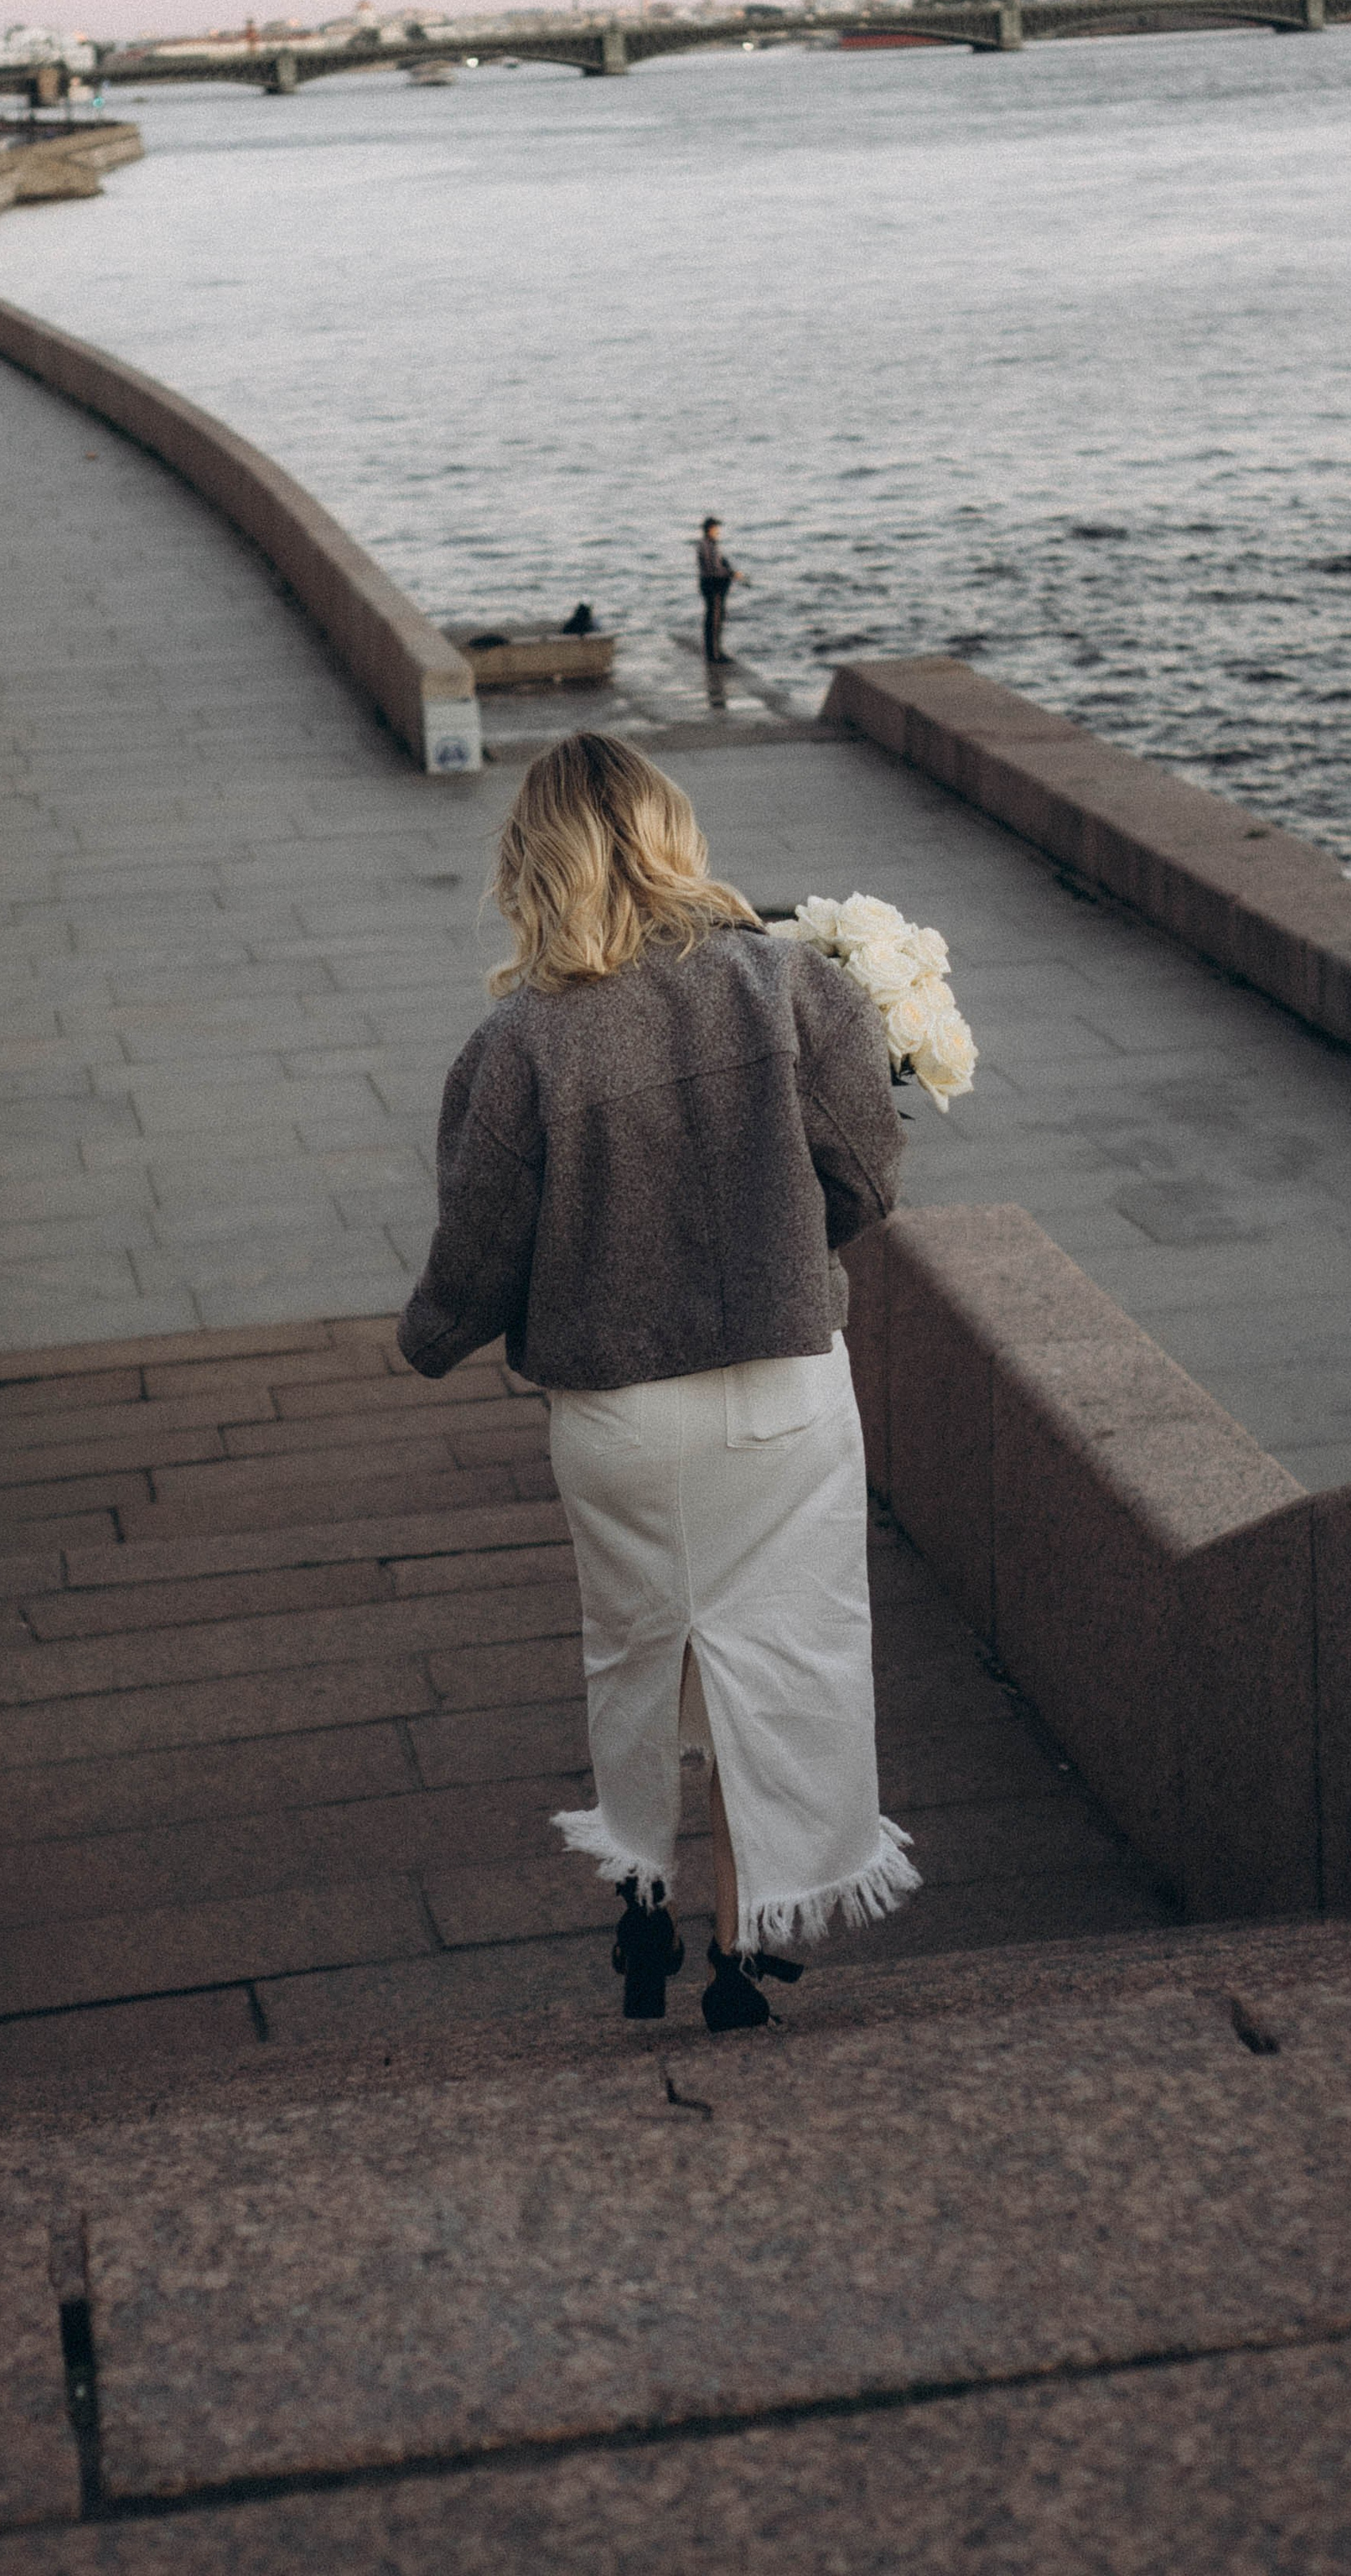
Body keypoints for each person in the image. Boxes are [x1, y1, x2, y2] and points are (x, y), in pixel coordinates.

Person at [398, 733, 917, 2032]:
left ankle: (642, 1893)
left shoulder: (517, 1043)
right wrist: (783, 1247)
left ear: (534, 865)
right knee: (780, 1659)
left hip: (619, 1419)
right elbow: (867, 1177)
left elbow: (480, 1256)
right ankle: (745, 1947)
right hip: (782, 1400)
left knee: (641, 1653)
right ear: (671, 836)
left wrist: (432, 1336)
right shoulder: (787, 983)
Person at [696, 514, 739, 664]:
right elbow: (714, 569)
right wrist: (732, 573)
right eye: (715, 528)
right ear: (710, 529)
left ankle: (713, 652)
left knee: (712, 619)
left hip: (709, 584)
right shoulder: (707, 546)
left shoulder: (706, 544)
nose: (718, 531)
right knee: (714, 620)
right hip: (713, 585)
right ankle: (715, 655)